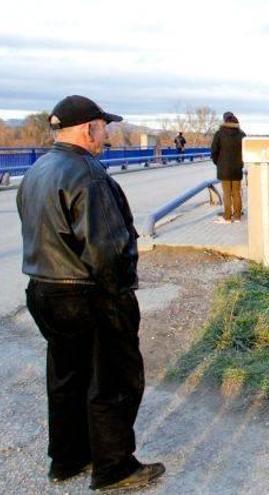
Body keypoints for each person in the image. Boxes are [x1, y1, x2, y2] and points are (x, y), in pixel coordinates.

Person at [16, 95, 165, 491]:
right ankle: (114, 467)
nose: (106, 134)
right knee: (113, 379)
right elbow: (109, 248)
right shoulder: (90, 175)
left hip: (43, 290)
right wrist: (120, 297)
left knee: (67, 377)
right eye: (104, 127)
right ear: (88, 128)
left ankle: (66, 460)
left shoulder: (37, 171)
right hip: (88, 294)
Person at [210, 111, 246, 223]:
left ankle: (227, 216)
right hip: (237, 168)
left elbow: (214, 151)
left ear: (224, 120)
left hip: (223, 168)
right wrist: (241, 163)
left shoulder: (219, 134)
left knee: (226, 193)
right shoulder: (242, 135)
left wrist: (218, 163)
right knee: (236, 193)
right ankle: (237, 216)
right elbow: (246, 152)